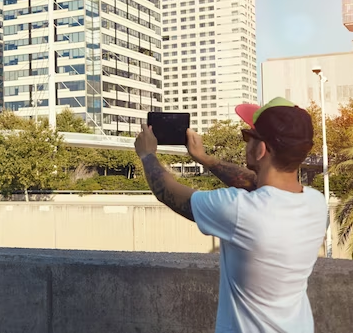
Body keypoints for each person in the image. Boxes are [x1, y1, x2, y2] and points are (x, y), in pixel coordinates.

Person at [134, 97, 328, 333]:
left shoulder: (240, 211)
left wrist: (147, 155)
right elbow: (255, 183)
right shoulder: (317, 204)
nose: (246, 143)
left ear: (261, 149)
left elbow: (168, 192)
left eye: (249, 137)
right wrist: (205, 158)